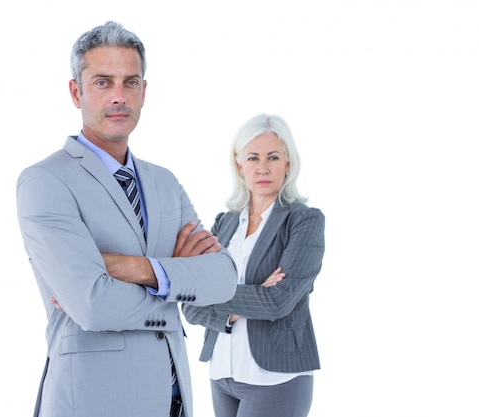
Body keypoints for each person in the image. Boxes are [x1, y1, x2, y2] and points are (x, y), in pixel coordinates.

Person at [16, 21, 238, 417]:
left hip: (173, 402)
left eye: (130, 82)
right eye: (103, 82)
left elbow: (223, 278)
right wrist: (177, 280)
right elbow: (92, 306)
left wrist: (131, 268)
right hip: (94, 401)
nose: (119, 96)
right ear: (75, 91)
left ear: (144, 91)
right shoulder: (45, 181)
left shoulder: (164, 182)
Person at [182, 114, 325, 417]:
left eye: (273, 157)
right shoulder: (224, 224)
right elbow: (191, 306)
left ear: (288, 163)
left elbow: (278, 301)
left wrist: (214, 293)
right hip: (222, 369)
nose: (262, 167)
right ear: (239, 165)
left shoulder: (304, 221)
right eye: (253, 158)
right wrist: (252, 294)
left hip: (275, 376)